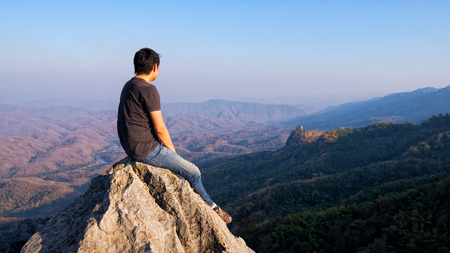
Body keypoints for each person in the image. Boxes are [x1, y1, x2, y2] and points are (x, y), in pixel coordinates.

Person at [117, 47, 232, 223]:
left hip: (131, 146)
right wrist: (172, 153)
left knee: (179, 175)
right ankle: (212, 207)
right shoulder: (148, 89)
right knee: (193, 172)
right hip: (146, 149)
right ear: (155, 67)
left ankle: (195, 202)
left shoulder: (129, 85)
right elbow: (160, 128)